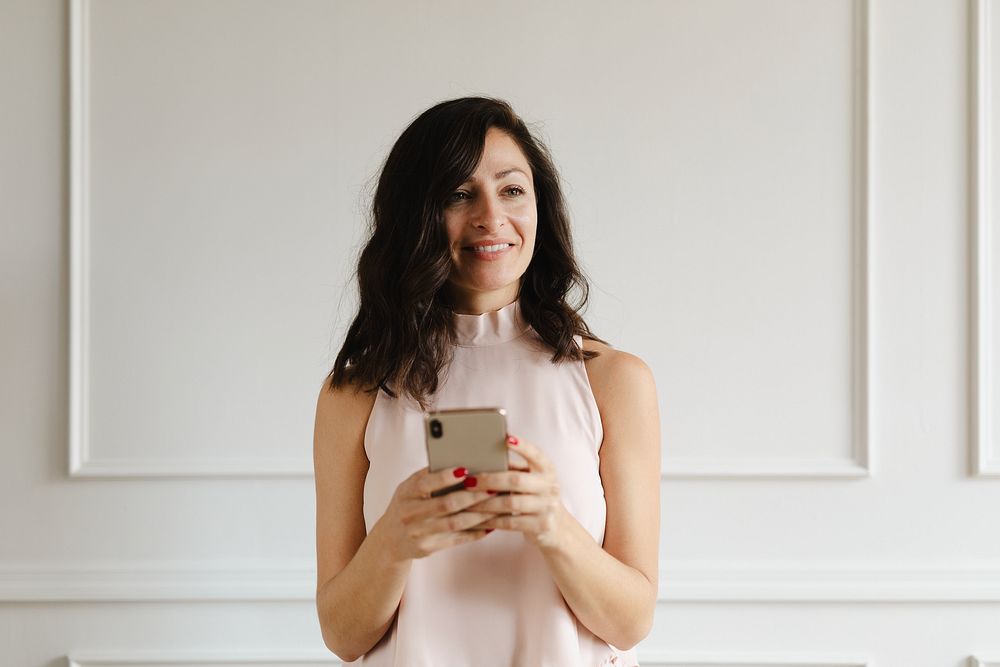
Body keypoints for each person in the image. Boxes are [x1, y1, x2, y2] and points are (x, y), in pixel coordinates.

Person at [313, 96, 661, 666]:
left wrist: (553, 524)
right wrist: (395, 540)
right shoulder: (355, 394)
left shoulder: (614, 381)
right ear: (417, 213)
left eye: (511, 189)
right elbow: (341, 635)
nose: (491, 217)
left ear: (539, 209)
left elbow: (630, 623)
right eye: (458, 193)